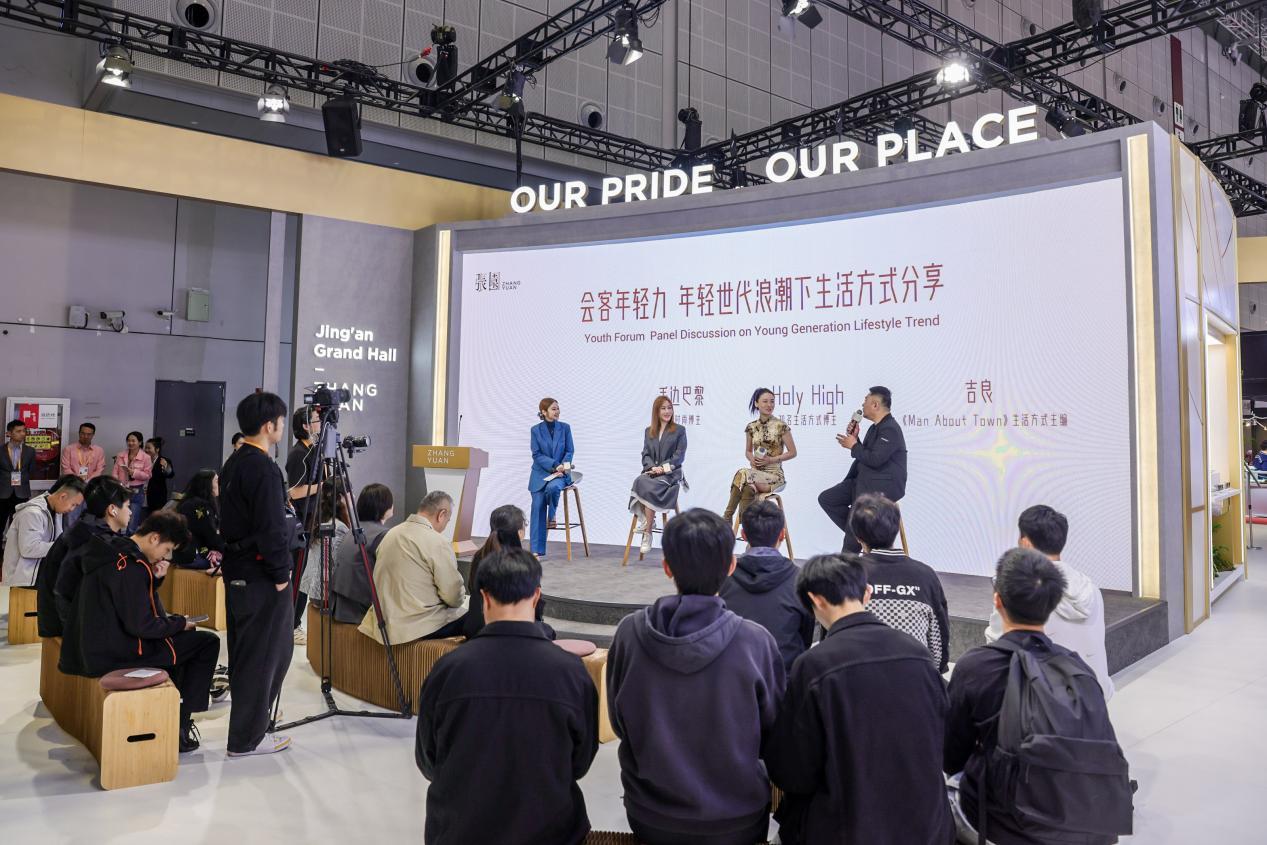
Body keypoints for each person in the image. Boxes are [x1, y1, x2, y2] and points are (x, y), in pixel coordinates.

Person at [607, 508, 784, 845]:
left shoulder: (629, 633)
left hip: (650, 815)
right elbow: (772, 733)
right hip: (736, 818)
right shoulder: (755, 641)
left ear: (666, 567)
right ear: (731, 566)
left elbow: (619, 724)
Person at [767, 553, 953, 845]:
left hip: (848, 829)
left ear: (814, 600)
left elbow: (793, 773)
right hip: (929, 827)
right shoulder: (918, 654)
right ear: (867, 593)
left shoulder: (814, 665)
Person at [416, 547, 599, 845]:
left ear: (484, 598)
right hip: (551, 833)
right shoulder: (571, 672)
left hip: (459, 833)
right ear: (536, 596)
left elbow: (428, 761)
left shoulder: (447, 670)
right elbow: (580, 764)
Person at [945, 548, 1123, 845]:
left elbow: (951, 757)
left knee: (947, 789)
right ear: (1052, 604)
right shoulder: (1079, 669)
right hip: (1082, 820)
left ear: (997, 601)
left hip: (1010, 825)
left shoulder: (976, 667)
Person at [60, 510, 219, 753]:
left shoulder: (113, 551)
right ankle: (180, 722)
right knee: (206, 643)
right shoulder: (131, 566)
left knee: (184, 642)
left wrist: (156, 582)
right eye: (167, 549)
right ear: (154, 538)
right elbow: (142, 625)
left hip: (93, 645)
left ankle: (178, 716)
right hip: (116, 653)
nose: (165, 556)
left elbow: (132, 608)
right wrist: (179, 623)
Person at [218, 391, 294, 757]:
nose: (283, 426)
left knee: (248, 652)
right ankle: (248, 738)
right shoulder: (263, 467)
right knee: (265, 655)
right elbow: (271, 527)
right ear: (269, 425)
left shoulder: (234, 461)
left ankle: (251, 728)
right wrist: (281, 574)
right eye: (281, 421)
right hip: (261, 574)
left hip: (238, 570)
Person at [985, 505, 1113, 700]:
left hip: (1046, 703)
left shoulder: (1020, 591)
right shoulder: (1092, 590)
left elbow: (996, 648)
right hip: (1096, 695)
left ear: (1025, 543)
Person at [851, 493, 951, 673]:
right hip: (916, 679)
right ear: (896, 529)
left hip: (856, 679)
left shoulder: (847, 573)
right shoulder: (925, 575)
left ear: (857, 536)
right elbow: (939, 641)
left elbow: (833, 636)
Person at [360, 491, 468, 643]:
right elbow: (453, 596)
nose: (445, 526)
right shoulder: (437, 541)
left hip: (383, 625)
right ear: (441, 514)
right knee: (475, 618)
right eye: (448, 521)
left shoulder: (389, 535)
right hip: (418, 627)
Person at [719, 500, 813, 672]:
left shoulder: (723, 577)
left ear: (743, 535)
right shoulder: (801, 580)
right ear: (782, 535)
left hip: (734, 678)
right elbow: (806, 638)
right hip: (784, 680)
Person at [818, 386, 907, 552]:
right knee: (827, 499)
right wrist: (855, 440)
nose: (862, 405)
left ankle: (854, 541)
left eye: (865, 401)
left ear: (875, 405)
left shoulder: (890, 429)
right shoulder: (875, 428)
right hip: (864, 480)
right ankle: (863, 534)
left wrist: (853, 446)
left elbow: (875, 459)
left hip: (880, 486)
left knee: (855, 521)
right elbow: (867, 455)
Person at [40, 476, 130, 637]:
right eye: (127, 506)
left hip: (59, 619)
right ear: (112, 509)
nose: (130, 512)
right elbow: (66, 594)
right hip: (66, 626)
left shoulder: (86, 528)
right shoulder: (93, 539)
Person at [722, 388, 797, 526]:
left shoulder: (781, 426)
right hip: (755, 474)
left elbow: (793, 452)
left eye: (772, 401)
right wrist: (752, 460)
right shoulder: (751, 427)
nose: (769, 405)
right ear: (756, 403)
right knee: (746, 488)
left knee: (742, 473)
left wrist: (771, 460)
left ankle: (727, 517)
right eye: (765, 401)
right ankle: (748, 528)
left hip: (774, 476)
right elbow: (748, 451)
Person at [628, 396, 688, 555]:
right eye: (663, 408)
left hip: (670, 473)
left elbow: (679, 456)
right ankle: (647, 520)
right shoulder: (649, 431)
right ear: (656, 411)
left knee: (651, 486)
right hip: (652, 472)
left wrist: (662, 468)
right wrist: (652, 467)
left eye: (669, 408)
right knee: (639, 480)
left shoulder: (679, 430)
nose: (667, 411)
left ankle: (647, 532)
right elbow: (645, 454)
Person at [2, 474, 84, 585]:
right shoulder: (32, 513)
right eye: (73, 504)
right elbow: (29, 549)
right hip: (22, 582)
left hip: (40, 577)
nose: (72, 509)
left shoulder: (55, 509)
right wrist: (64, 545)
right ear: (63, 496)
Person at [331, 482, 394, 625]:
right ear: (384, 506)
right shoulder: (383, 535)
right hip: (360, 610)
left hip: (340, 603)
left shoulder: (353, 530)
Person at [296, 479, 351, 636]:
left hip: (315, 592)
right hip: (325, 595)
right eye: (349, 492)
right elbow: (338, 566)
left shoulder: (321, 520)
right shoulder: (338, 527)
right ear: (340, 497)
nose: (353, 496)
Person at [462, 504, 526, 639]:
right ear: (519, 532)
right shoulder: (520, 561)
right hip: (504, 633)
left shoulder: (479, 555)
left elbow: (472, 588)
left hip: (475, 629)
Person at [285, 407, 322, 632]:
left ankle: (294, 623)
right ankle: (292, 625)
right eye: (316, 420)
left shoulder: (313, 450)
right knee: (299, 575)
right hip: (302, 523)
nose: (320, 424)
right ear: (305, 425)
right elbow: (295, 492)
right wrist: (323, 486)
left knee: (307, 575)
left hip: (314, 520)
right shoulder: (298, 454)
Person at [528, 397, 576, 558]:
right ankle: (536, 551)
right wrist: (555, 465)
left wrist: (563, 467)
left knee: (553, 487)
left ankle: (552, 514)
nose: (557, 412)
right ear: (544, 412)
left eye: (558, 408)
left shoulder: (565, 428)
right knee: (537, 506)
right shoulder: (535, 430)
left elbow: (570, 450)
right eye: (554, 409)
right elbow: (536, 455)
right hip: (540, 474)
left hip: (561, 473)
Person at [172, 470, 226, 572]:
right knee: (234, 560)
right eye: (216, 481)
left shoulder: (189, 502)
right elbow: (210, 535)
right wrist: (225, 550)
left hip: (184, 554)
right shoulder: (201, 506)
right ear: (207, 485)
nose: (220, 484)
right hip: (192, 555)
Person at [0, 419, 36, 556]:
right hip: (2, 493)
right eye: (18, 431)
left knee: (18, 527)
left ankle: (13, 555)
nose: (23, 434)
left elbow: (31, 470)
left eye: (24, 431)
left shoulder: (30, 451)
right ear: (9, 433)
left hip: (21, 493)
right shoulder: (1, 450)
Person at [112, 430, 153, 533]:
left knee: (132, 521)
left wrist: (134, 473)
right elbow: (115, 472)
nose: (130, 443)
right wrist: (117, 483)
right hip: (121, 489)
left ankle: (129, 540)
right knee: (117, 518)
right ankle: (115, 539)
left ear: (140, 442)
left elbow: (148, 475)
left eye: (133, 441)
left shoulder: (146, 457)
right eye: (128, 440)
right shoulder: (121, 455)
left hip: (136, 491)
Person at [143, 436, 174, 519]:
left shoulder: (164, 460)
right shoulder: (142, 460)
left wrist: (166, 467)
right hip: (142, 495)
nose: (146, 450)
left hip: (157, 497)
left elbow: (171, 475)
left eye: (149, 448)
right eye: (145, 448)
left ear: (157, 449)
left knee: (155, 520)